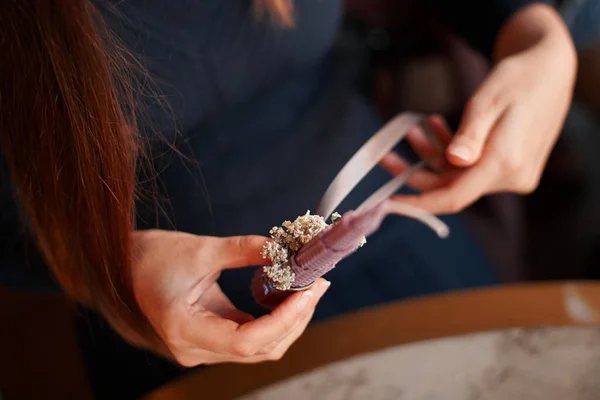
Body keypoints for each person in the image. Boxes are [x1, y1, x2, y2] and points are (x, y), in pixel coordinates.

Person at [0, 0, 576, 398]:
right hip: (162, 300)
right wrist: (108, 267)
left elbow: (525, 19)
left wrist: (537, 33)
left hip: (384, 224)